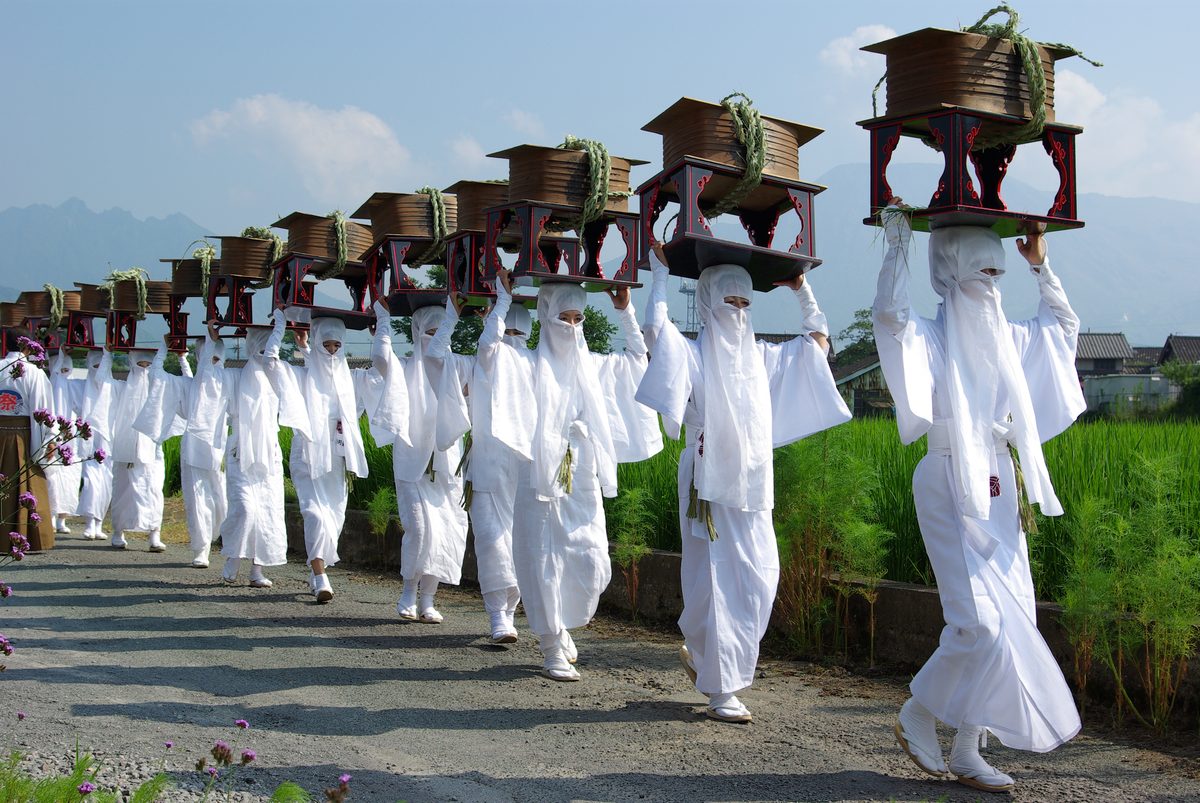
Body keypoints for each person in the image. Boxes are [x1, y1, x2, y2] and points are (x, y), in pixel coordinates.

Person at [872, 203, 1086, 793]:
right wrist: (896, 249)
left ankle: (967, 749)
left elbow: (1064, 331)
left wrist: (1042, 268)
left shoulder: (1010, 339)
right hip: (948, 479)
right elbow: (889, 319)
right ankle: (919, 708)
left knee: (1013, 621)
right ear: (949, 274)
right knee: (979, 624)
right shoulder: (933, 337)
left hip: (999, 482)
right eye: (979, 274)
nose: (992, 287)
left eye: (998, 276)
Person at [636, 245, 850, 722]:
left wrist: (802, 290)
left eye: (745, 303)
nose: (737, 312)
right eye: (728, 302)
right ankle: (722, 689)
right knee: (714, 579)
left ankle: (703, 650)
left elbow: (816, 345)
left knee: (759, 577)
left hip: (753, 481)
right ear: (709, 301)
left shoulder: (764, 357)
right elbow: (656, 334)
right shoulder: (692, 354)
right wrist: (660, 279)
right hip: (706, 481)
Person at [492, 278, 662, 681]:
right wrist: (502, 300)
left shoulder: (596, 367)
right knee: (541, 559)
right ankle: (550, 642)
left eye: (577, 318)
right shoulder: (527, 364)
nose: (570, 326)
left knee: (590, 558)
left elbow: (640, 360)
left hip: (582, 473)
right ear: (545, 319)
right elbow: (489, 355)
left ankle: (562, 625)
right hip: (538, 475)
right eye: (562, 318)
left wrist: (625, 312)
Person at [431, 278, 534, 643]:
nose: (510, 341)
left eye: (518, 333)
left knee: (521, 542)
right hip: (485, 467)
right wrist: (451, 317)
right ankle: (498, 616)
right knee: (491, 539)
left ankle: (511, 611)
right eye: (507, 331)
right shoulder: (476, 364)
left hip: (526, 469)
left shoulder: (536, 364)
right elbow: (436, 355)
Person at [372, 297, 467, 623]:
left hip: (446, 465)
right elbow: (380, 357)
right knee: (420, 529)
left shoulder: (455, 368)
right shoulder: (402, 368)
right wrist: (383, 318)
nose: (435, 336)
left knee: (446, 529)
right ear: (416, 332)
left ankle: (429, 599)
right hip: (413, 463)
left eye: (441, 330)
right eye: (429, 330)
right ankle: (409, 592)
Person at [284, 309, 390, 603]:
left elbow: (382, 372)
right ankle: (320, 576)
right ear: (316, 343)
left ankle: (318, 567)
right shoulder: (301, 376)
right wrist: (297, 339)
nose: (331, 352)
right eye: (325, 346)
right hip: (309, 454)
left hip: (339, 459)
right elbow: (271, 366)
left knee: (333, 518)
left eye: (336, 346)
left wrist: (381, 332)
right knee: (315, 514)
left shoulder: (353, 379)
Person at [219, 308, 310, 589]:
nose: (262, 353)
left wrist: (303, 346)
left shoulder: (280, 376)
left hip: (268, 454)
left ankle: (257, 569)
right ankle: (233, 556)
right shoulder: (234, 377)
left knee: (267, 510)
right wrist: (213, 342)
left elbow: (312, 377)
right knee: (245, 508)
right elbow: (208, 383)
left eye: (266, 347)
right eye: (258, 347)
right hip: (241, 452)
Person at [136, 332, 229, 568]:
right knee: (197, 500)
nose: (211, 364)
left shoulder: (231, 381)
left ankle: (220, 538)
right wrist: (164, 349)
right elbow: (157, 376)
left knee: (221, 501)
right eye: (207, 358)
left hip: (221, 448)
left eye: (216, 359)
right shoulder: (187, 386)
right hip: (194, 447)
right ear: (199, 358)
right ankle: (201, 548)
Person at [109, 344, 172, 552]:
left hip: (151, 449)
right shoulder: (120, 387)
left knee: (153, 490)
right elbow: (100, 381)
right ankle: (118, 532)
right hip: (125, 450)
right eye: (140, 364)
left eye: (148, 364)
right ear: (131, 363)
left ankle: (155, 534)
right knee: (123, 491)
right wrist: (107, 354)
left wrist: (168, 351)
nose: (144, 369)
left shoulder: (159, 386)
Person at [0, 331, 56, 552]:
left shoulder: (2, 367)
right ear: (27, 347)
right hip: (21, 437)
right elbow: (42, 409)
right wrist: (48, 440)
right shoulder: (33, 372)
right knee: (24, 483)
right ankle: (24, 536)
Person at [77, 348, 119, 541]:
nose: (98, 371)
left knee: (106, 485)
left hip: (108, 442)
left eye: (102, 366)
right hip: (90, 443)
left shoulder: (113, 388)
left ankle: (99, 522)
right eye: (95, 366)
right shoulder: (80, 388)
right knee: (91, 483)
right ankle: (89, 522)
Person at [47, 346, 84, 534]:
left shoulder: (74, 385)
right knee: (53, 478)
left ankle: (63, 518)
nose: (63, 373)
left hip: (71, 438)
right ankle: (51, 515)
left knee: (70, 479)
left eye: (65, 369)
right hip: (53, 435)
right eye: (60, 369)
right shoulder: (50, 384)